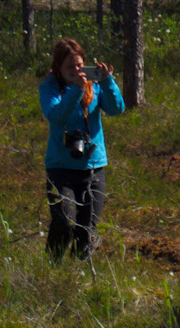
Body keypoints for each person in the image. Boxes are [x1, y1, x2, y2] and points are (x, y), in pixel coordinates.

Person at [40, 39, 126, 258]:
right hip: (61, 168)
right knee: (64, 223)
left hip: (93, 165)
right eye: (70, 66)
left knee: (86, 230)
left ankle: (79, 272)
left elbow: (117, 109)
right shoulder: (50, 88)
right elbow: (56, 116)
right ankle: (53, 269)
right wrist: (76, 90)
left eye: (79, 65)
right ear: (58, 67)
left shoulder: (94, 86)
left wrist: (107, 81)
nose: (76, 70)